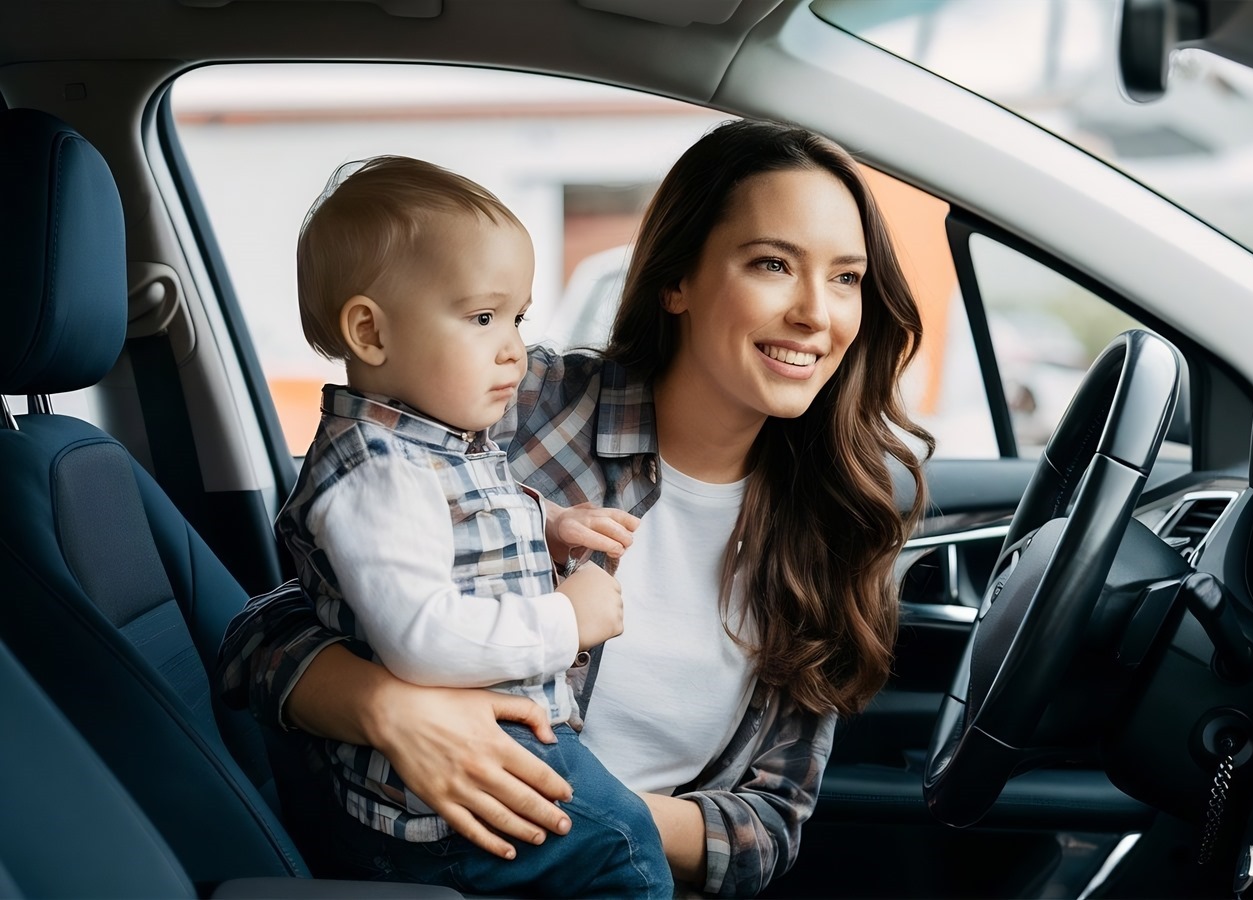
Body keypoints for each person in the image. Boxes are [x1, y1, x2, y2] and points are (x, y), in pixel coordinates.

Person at [220, 118, 934, 897]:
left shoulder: (833, 530)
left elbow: (767, 829)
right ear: (677, 281)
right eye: (772, 263)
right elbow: (261, 635)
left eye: (845, 278)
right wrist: (389, 712)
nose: (814, 313)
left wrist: (576, 813)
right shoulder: (507, 401)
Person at [275, 155, 670, 897]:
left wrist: (549, 525)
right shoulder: (380, 472)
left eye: (518, 317)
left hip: (468, 771)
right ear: (371, 332)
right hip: (445, 798)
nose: (515, 346)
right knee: (625, 851)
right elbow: (422, 638)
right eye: (484, 317)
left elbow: (464, 512)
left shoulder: (431, 438)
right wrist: (566, 619)